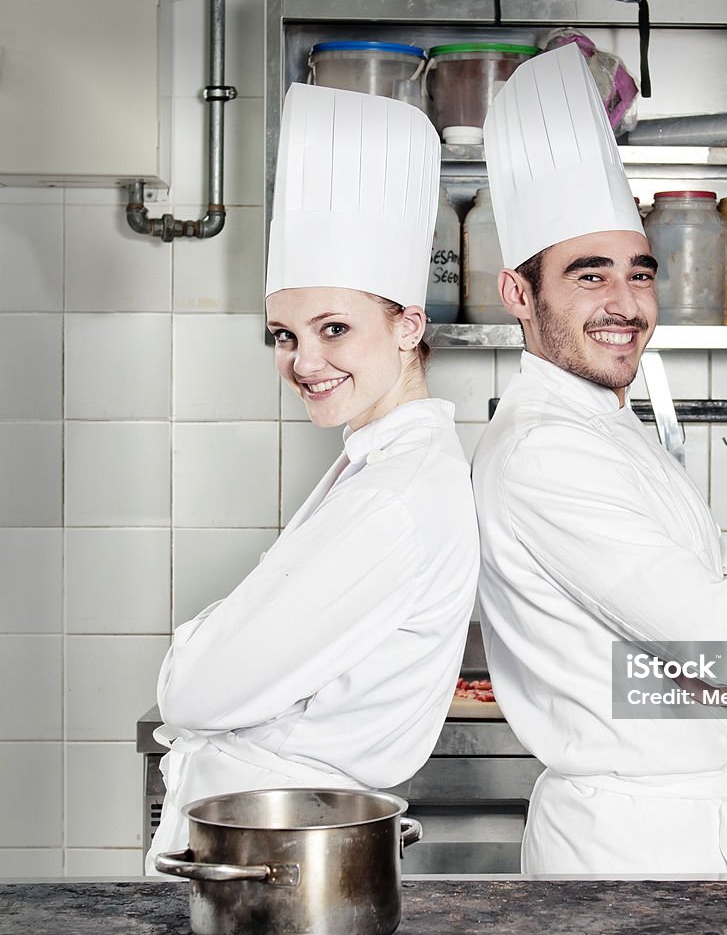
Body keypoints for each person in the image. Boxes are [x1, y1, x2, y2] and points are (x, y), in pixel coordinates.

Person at [472, 44, 727, 875]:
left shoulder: (601, 424)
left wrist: (696, 653)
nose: (625, 305)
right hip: (630, 853)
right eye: (590, 277)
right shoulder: (548, 453)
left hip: (675, 830)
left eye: (639, 274)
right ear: (520, 294)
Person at [146, 83, 479, 872]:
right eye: (284, 334)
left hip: (280, 857)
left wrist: (199, 646)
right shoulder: (379, 469)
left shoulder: (395, 500)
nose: (303, 361)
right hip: (270, 840)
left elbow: (191, 694)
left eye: (335, 329)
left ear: (408, 325)